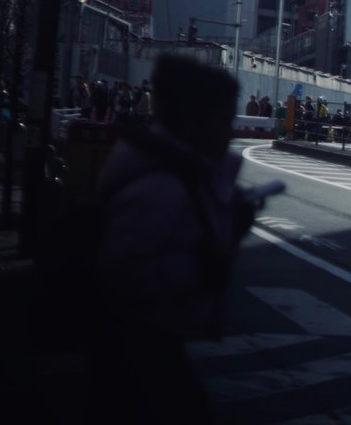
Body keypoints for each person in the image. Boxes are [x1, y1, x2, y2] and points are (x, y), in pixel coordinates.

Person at [86, 53, 254, 425]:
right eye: (223, 122)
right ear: (194, 124)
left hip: (146, 343)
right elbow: (128, 275)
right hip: (138, 346)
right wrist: (207, 261)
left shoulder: (174, 175)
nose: (229, 133)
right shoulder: (161, 187)